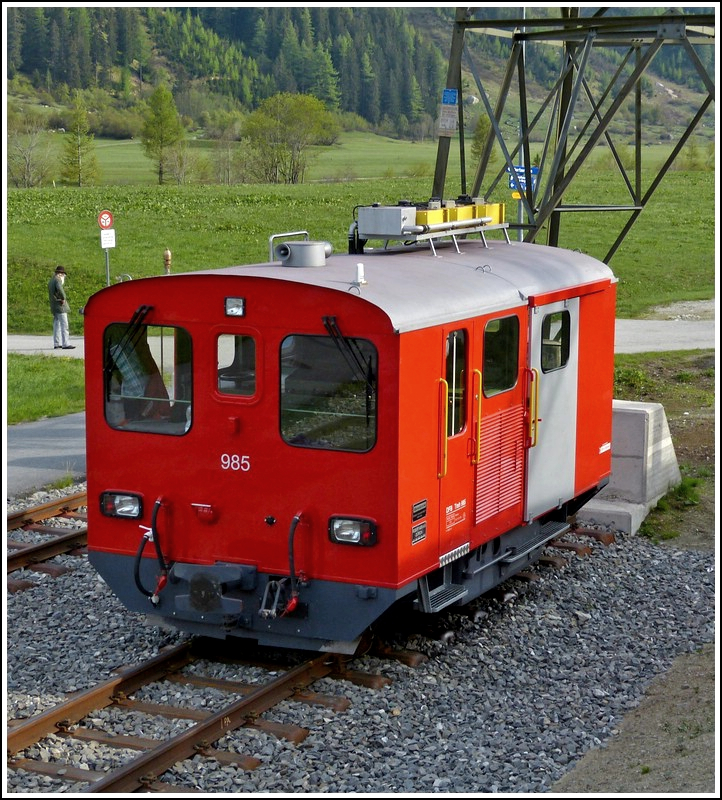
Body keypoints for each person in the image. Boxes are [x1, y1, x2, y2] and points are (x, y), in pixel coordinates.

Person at [48, 265, 75, 349]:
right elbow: (60, 289)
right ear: (60, 274)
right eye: (63, 274)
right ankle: (65, 343)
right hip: (60, 306)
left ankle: (56, 343)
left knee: (56, 325)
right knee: (64, 325)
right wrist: (63, 298)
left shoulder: (51, 280)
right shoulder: (58, 280)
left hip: (54, 305)